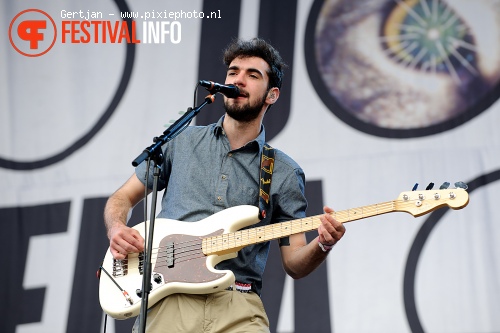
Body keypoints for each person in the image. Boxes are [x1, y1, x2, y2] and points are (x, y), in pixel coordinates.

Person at [104, 37, 346, 332]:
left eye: (252, 75)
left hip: (239, 306)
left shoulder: (283, 171)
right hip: (169, 299)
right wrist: (117, 226)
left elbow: (294, 262)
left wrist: (323, 244)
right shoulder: (181, 141)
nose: (238, 80)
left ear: (272, 95)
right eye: (233, 72)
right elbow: (122, 197)